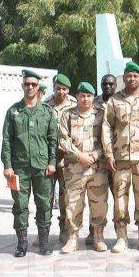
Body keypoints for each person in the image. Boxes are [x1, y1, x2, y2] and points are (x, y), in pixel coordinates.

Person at [2, 69, 58, 257]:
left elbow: (53, 140)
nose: (30, 87)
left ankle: (44, 242)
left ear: (38, 87)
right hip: (19, 167)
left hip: (42, 167)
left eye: (33, 84)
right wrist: (7, 165)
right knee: (20, 205)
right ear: (22, 86)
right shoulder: (14, 111)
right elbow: (7, 140)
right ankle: (22, 243)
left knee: (44, 204)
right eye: (27, 84)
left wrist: (52, 162)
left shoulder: (47, 112)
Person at [102, 61, 139, 254]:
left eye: (135, 76)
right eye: (128, 76)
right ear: (123, 78)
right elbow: (106, 127)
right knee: (120, 198)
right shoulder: (114, 101)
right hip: (120, 157)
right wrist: (109, 153)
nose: (131, 79)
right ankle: (121, 237)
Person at [59, 82, 110, 253]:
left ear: (93, 97)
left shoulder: (101, 114)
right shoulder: (68, 115)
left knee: (99, 203)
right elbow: (63, 139)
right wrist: (79, 155)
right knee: (73, 204)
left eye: (89, 96)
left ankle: (98, 236)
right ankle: (73, 238)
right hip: (75, 168)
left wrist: (95, 155)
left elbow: (107, 138)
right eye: (82, 95)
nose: (85, 99)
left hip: (97, 168)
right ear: (77, 96)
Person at [45, 73, 78, 245]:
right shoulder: (45, 105)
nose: (61, 92)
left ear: (68, 90)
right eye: (58, 88)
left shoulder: (74, 104)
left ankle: (65, 230)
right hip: (48, 159)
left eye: (64, 89)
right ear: (54, 88)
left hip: (67, 159)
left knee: (66, 197)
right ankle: (44, 231)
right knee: (46, 196)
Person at [87, 73, 117, 247]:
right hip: (97, 158)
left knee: (118, 196)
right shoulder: (93, 103)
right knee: (96, 196)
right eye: (105, 84)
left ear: (116, 85)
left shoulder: (120, 102)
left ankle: (120, 232)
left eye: (111, 84)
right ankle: (94, 231)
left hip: (115, 158)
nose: (108, 87)